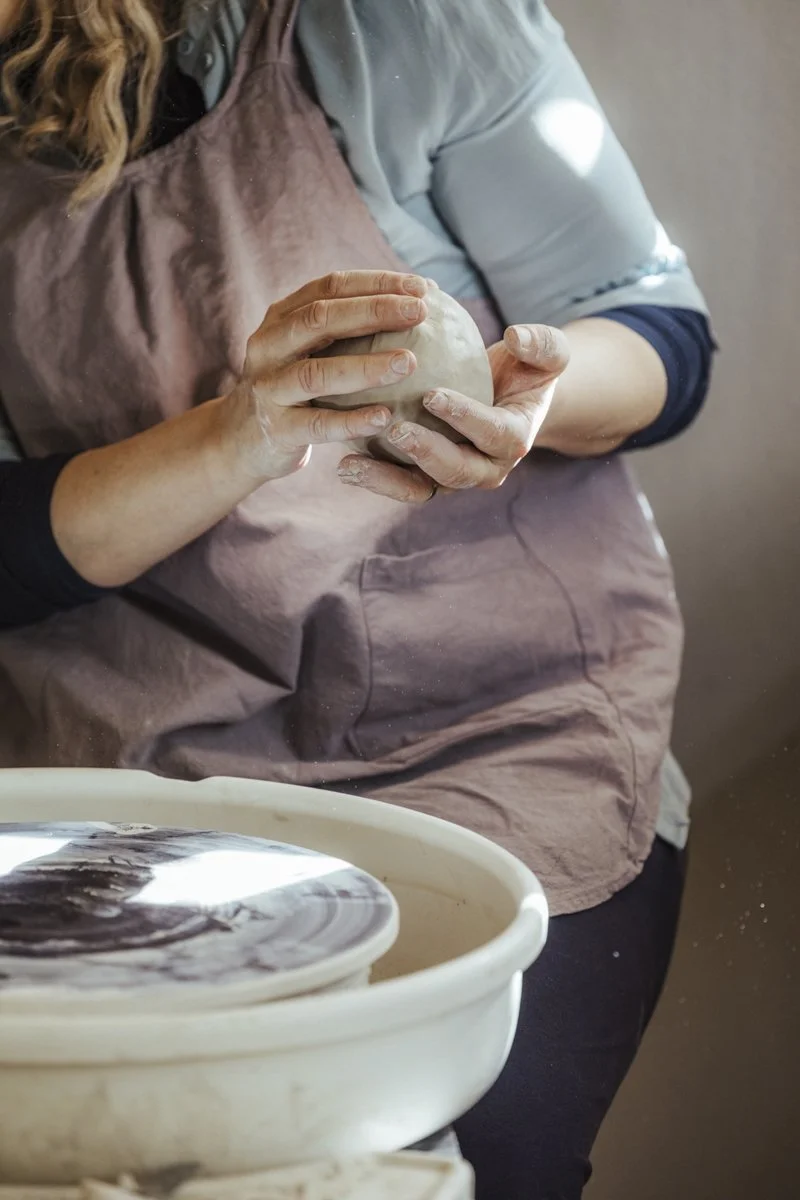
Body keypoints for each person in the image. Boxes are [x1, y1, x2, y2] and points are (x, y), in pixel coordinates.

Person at [0, 0, 715, 1195]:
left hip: (492, 732)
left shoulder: (388, 24)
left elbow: (656, 338)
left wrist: (520, 401)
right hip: (131, 765)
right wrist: (237, 435)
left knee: (448, 1164)